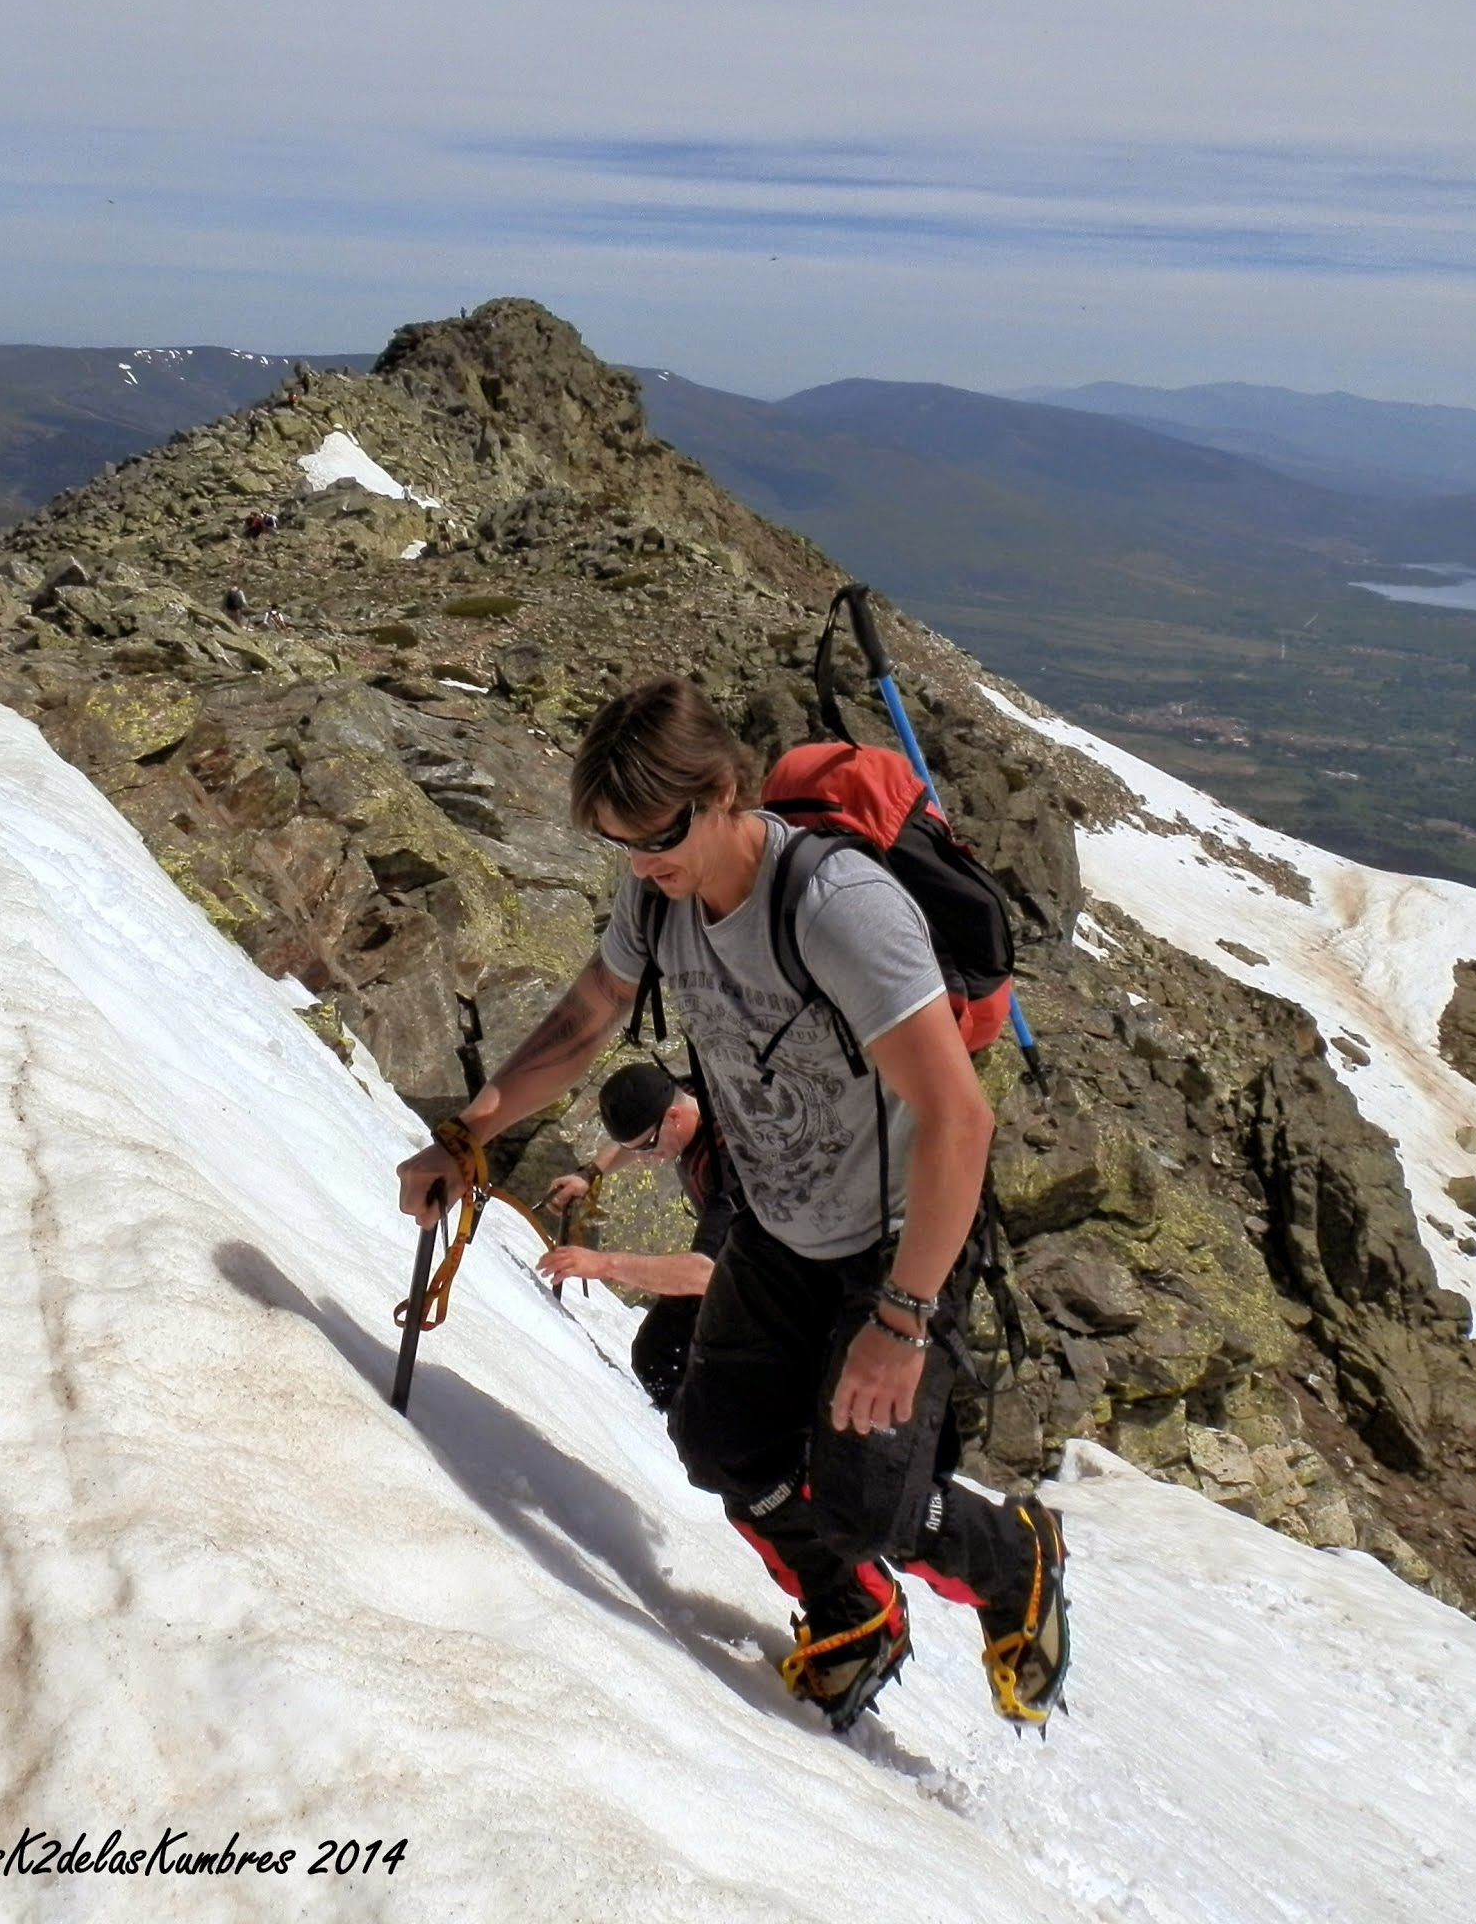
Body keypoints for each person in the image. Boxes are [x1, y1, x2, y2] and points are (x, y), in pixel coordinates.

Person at [399, 676, 1067, 1733]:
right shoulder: (657, 894)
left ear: (721, 791)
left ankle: (1013, 1558)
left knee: (866, 1501)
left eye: (656, 834)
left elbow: (958, 1120)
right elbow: (586, 1016)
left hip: (891, 1249)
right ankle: (852, 1612)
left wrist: (900, 1318)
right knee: (719, 1442)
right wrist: (466, 1133)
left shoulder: (839, 910)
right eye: (619, 842)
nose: (639, 861)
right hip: (774, 1223)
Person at [536, 1062, 734, 1408]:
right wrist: (591, 1173)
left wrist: (604, 1265)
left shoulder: (727, 1166)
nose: (646, 1158)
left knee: (669, 1357)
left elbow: (705, 1273)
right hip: (736, 1262)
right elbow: (634, 1139)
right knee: (657, 1351)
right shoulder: (688, 1094)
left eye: (649, 1145)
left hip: (778, 1281)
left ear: (673, 1116)